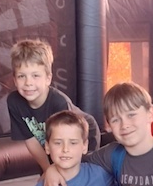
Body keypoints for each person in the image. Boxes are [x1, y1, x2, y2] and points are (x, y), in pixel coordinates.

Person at [6, 39, 100, 172]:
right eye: (22, 76)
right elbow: (31, 140)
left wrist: (58, 171)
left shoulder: (59, 103)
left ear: (48, 78)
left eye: (35, 75)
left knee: (76, 175)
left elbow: (67, 143)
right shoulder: (14, 102)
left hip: (79, 136)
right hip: (52, 142)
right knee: (50, 177)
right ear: (15, 80)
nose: (28, 83)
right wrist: (47, 169)